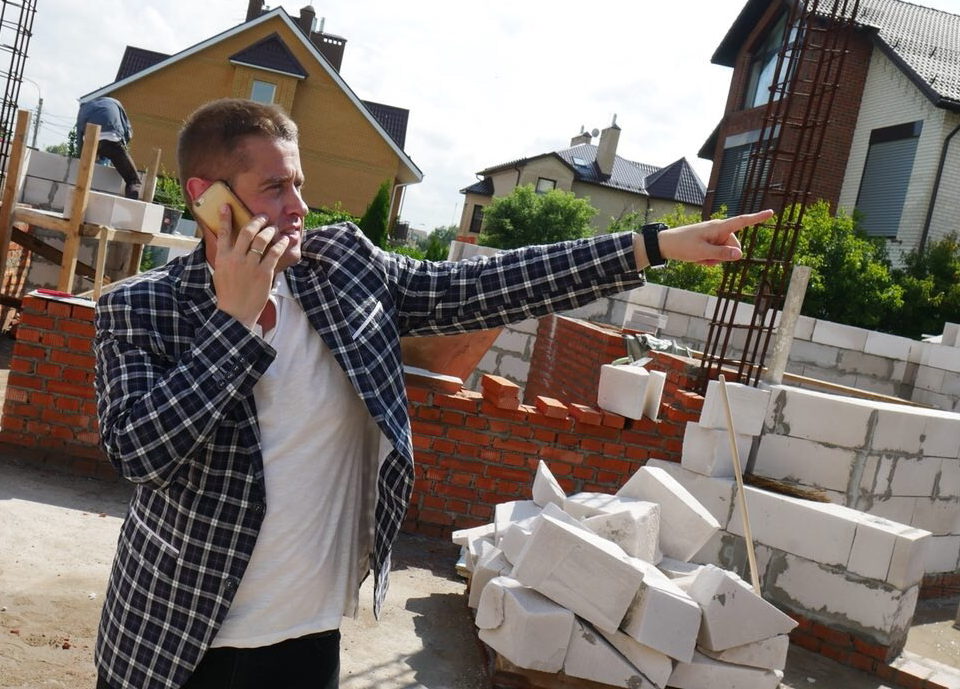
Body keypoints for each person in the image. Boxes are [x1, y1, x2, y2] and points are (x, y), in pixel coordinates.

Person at [92, 97, 772, 689]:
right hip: (179, 642)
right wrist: (234, 324)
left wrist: (652, 247)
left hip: (308, 635)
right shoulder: (141, 308)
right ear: (208, 197)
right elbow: (139, 454)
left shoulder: (342, 269)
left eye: (298, 183)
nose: (298, 206)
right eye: (274, 188)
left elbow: (485, 285)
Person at [76, 96, 142, 199]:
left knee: (92, 165)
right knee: (132, 180)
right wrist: (123, 148)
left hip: (90, 139)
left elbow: (79, 135)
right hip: (112, 137)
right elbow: (128, 131)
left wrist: (81, 156)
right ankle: (131, 196)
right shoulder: (116, 103)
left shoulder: (84, 109)